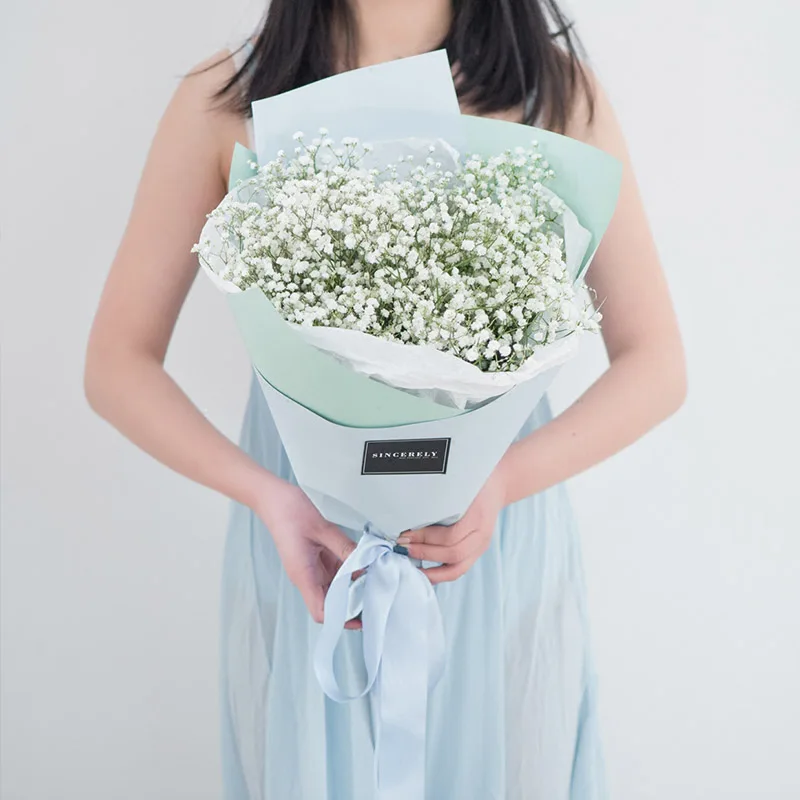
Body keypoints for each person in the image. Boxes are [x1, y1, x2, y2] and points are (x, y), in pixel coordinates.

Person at [85, 1, 686, 797]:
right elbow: (117, 362)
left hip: (491, 539)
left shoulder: (552, 92)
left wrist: (504, 480)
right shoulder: (228, 98)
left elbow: (657, 364)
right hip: (308, 545)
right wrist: (270, 498)